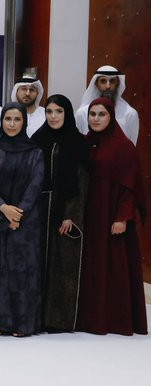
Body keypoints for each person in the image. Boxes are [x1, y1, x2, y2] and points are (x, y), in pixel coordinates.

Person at [76, 97, 147, 335]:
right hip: (89, 215)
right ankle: (89, 318)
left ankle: (115, 320)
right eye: (92, 114)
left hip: (112, 215)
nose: (96, 119)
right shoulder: (85, 143)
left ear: (111, 117)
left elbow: (131, 186)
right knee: (92, 265)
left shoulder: (124, 147)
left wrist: (122, 217)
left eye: (101, 114)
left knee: (114, 265)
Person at [0, 104, 45, 337]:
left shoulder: (36, 152)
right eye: (8, 119)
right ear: (2, 121)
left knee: (22, 272)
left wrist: (18, 214)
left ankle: (22, 324)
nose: (12, 124)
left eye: (17, 119)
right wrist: (3, 207)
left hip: (26, 222)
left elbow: (36, 184)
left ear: (24, 122)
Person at [31, 94, 89, 332]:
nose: (53, 116)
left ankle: (59, 320)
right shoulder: (38, 139)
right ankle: (35, 317)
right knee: (37, 263)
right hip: (39, 209)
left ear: (67, 114)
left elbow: (81, 182)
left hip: (65, 210)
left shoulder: (77, 142)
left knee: (62, 264)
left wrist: (71, 215)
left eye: (58, 112)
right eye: (49, 112)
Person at [75, 65, 139, 144]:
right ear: (96, 84)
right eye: (103, 81)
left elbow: (131, 146)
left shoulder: (130, 114)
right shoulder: (82, 113)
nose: (108, 86)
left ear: (117, 84)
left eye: (112, 81)